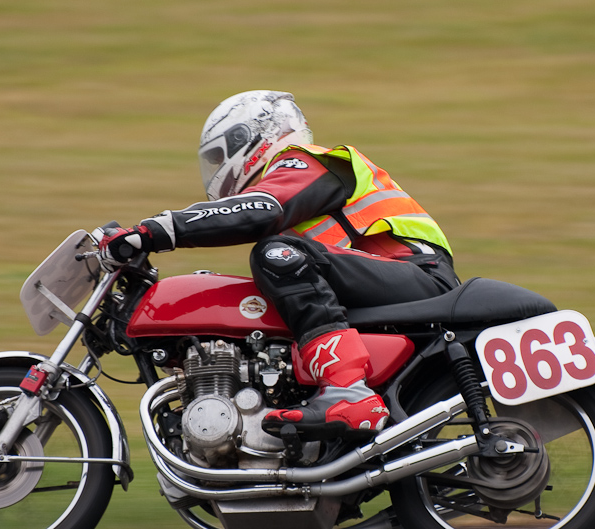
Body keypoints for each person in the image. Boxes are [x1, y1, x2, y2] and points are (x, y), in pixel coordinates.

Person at [98, 90, 459, 440]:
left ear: (250, 137)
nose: (215, 170)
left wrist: (155, 231)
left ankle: (348, 390)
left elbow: (262, 209)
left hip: (415, 274)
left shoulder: (307, 161)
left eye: (217, 156)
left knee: (277, 254)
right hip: (382, 282)